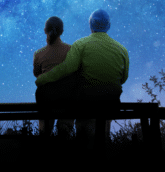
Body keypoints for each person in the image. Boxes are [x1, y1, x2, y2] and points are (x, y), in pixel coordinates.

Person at [35, 9, 129, 149]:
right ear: (108, 26)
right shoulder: (122, 49)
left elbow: (67, 68)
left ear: (90, 25)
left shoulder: (80, 45)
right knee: (104, 132)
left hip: (87, 103)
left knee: (84, 137)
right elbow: (123, 78)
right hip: (111, 103)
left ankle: (83, 151)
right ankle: (105, 151)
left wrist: (43, 79)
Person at [33, 16, 78, 139]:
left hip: (46, 98)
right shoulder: (72, 50)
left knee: (45, 132)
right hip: (68, 98)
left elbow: (37, 74)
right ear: (62, 32)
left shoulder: (38, 54)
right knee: (64, 133)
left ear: (45, 30)